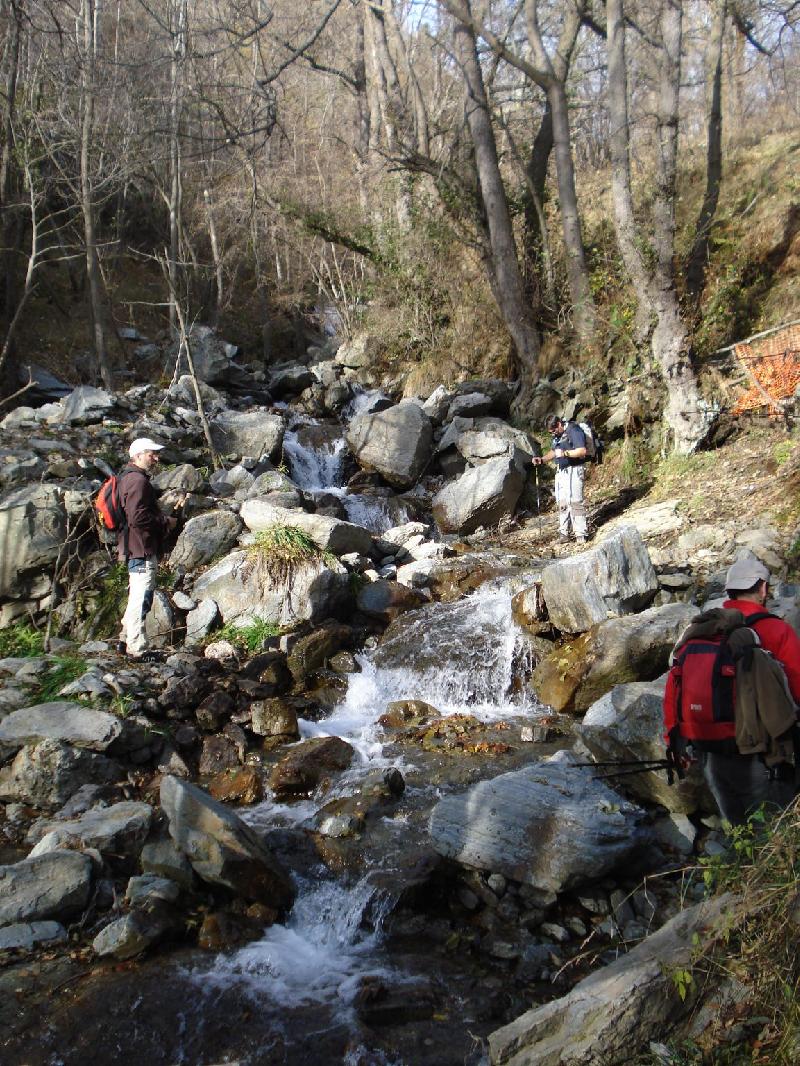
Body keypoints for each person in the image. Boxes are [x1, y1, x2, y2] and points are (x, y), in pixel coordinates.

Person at [668, 556, 800, 825]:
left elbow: (674, 688)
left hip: (708, 750)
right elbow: (797, 688)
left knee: (740, 830)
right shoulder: (775, 630)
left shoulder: (699, 632)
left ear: (729, 591)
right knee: (772, 829)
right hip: (760, 752)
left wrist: (674, 742)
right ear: (762, 588)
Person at [117, 438, 178, 662]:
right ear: (138, 455)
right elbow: (138, 517)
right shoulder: (137, 482)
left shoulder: (128, 478)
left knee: (137, 594)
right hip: (141, 547)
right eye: (151, 453)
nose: (156, 458)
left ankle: (124, 640)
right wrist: (165, 523)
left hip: (134, 546)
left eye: (156, 454)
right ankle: (137, 647)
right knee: (141, 596)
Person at [532, 414, 588, 543]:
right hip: (561, 471)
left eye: (553, 431)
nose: (552, 434)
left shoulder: (574, 430)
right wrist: (542, 460)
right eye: (550, 433)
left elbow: (581, 451)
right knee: (562, 502)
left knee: (575, 501)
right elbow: (554, 451)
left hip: (574, 469)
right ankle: (564, 535)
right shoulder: (557, 436)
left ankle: (581, 535)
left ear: (558, 424)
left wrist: (565, 453)